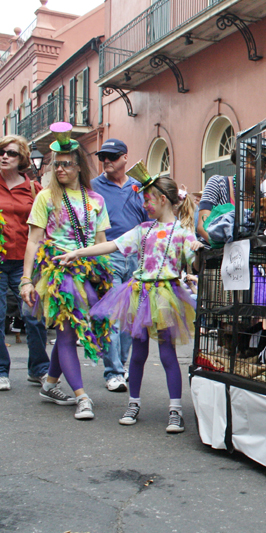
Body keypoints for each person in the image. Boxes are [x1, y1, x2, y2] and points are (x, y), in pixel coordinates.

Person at [56, 177, 202, 433]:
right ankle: (133, 403)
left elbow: (196, 263)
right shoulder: (142, 229)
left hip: (166, 297)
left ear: (163, 200)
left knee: (167, 355)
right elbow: (112, 245)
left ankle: (175, 410)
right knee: (138, 354)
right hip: (140, 296)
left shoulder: (182, 233)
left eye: (147, 200)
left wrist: (198, 250)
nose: (144, 205)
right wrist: (77, 252)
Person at [20, 123, 114, 421]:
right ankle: (82, 396)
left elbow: (101, 243)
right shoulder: (45, 198)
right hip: (57, 274)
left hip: (87, 273)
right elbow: (33, 241)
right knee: (66, 332)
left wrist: (105, 280)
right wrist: (26, 279)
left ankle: (49, 384)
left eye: (66, 165)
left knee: (71, 331)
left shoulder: (96, 200)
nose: (59, 170)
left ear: (78, 166)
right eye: (55, 165)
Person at [91, 137, 148, 392]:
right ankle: (113, 372)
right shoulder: (93, 187)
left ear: (125, 158)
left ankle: (120, 367)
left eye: (112, 157)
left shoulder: (139, 187)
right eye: (103, 157)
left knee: (129, 317)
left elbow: (149, 220)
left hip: (136, 255)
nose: (106, 162)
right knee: (113, 315)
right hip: (109, 253)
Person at [0, 135, 49, 391]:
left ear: (22, 159)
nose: (4, 156)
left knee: (33, 316)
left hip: (25, 263)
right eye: (1, 152)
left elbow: (44, 225)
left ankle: (39, 368)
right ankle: (0, 370)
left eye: (10, 153)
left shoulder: (34, 189)